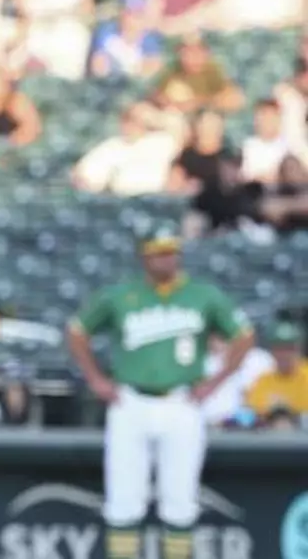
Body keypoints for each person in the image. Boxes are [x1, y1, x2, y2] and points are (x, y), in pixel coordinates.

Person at [66, 222, 253, 559]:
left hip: (181, 402)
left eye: (172, 252)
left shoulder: (202, 294)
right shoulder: (121, 294)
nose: (167, 260)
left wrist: (215, 381)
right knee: (122, 501)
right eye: (159, 253)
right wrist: (96, 378)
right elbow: (77, 330)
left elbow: (244, 334)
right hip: (130, 401)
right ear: (144, 256)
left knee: (180, 501)